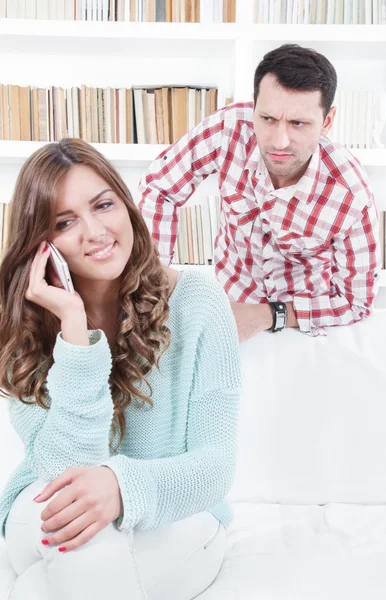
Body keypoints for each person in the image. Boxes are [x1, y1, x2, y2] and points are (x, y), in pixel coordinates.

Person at [0, 138, 241, 600]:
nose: (94, 231)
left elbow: (216, 465)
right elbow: (62, 468)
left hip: (181, 510)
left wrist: (121, 486)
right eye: (64, 222)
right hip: (47, 504)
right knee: (78, 534)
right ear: (40, 246)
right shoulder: (24, 330)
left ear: (127, 207)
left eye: (104, 205)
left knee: (52, 579)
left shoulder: (198, 302)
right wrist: (74, 330)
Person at [138, 44, 380, 340]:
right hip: (227, 307)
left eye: (298, 123)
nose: (279, 142)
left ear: (326, 122)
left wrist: (270, 315)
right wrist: (152, 288)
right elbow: (160, 187)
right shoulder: (230, 127)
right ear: (253, 108)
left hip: (303, 327)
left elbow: (357, 302)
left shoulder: (351, 194)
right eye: (267, 119)